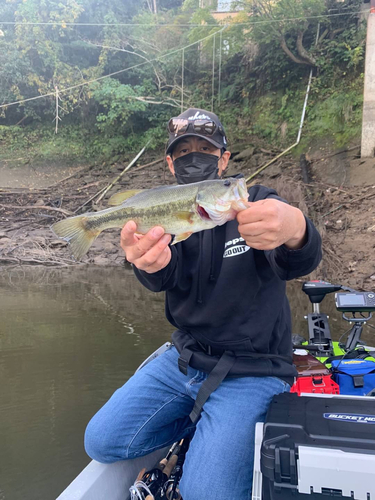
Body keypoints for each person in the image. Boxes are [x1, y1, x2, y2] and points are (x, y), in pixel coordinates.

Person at [84, 108, 322, 499]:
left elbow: (294, 260)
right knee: (102, 441)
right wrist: (147, 264)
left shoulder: (258, 205)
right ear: (170, 162)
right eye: (184, 152)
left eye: (206, 149)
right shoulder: (171, 217)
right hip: (185, 360)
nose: (195, 157)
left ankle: (219, 427)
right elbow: (162, 276)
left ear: (224, 158)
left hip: (254, 369)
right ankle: (202, 424)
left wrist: (296, 228)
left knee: (205, 493)